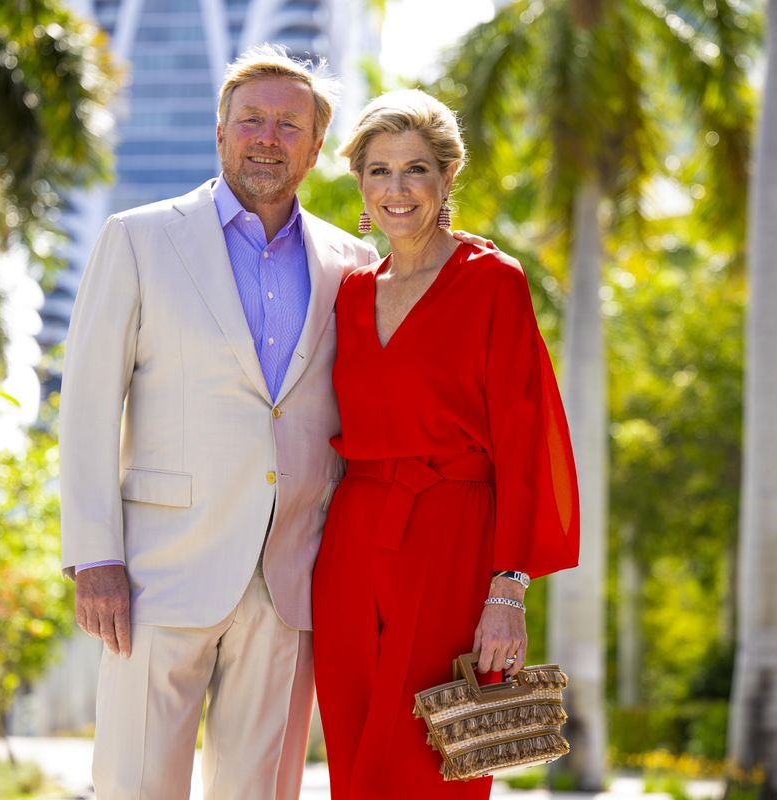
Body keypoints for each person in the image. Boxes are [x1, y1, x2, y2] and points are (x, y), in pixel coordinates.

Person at [59, 48, 485, 799]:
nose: (267, 136)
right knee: (134, 785)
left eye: (289, 124)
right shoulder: (139, 238)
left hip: (293, 579)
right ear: (219, 133)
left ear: (317, 149)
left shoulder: (353, 264)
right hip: (158, 574)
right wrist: (93, 556)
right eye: (251, 119)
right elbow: (89, 404)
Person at [311, 89, 581, 798]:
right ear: (360, 185)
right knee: (354, 748)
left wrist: (509, 588)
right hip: (352, 538)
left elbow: (526, 441)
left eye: (416, 169)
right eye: (378, 171)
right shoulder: (349, 291)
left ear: (446, 178)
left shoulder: (493, 281)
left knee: (428, 758)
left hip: (452, 534)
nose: (396, 189)